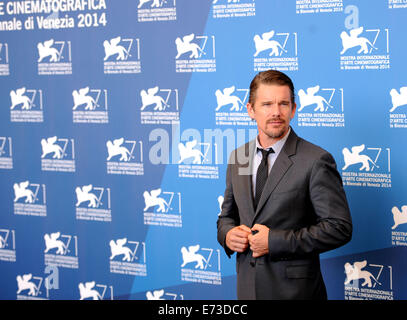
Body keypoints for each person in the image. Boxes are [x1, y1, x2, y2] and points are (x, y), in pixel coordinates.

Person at [216, 70, 352, 300]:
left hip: (296, 293)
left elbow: (339, 228)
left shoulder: (316, 160)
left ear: (294, 109)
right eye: (267, 104)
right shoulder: (237, 157)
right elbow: (226, 217)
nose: (276, 112)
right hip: (247, 290)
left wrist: (275, 241)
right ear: (250, 110)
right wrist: (228, 235)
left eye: (283, 104)